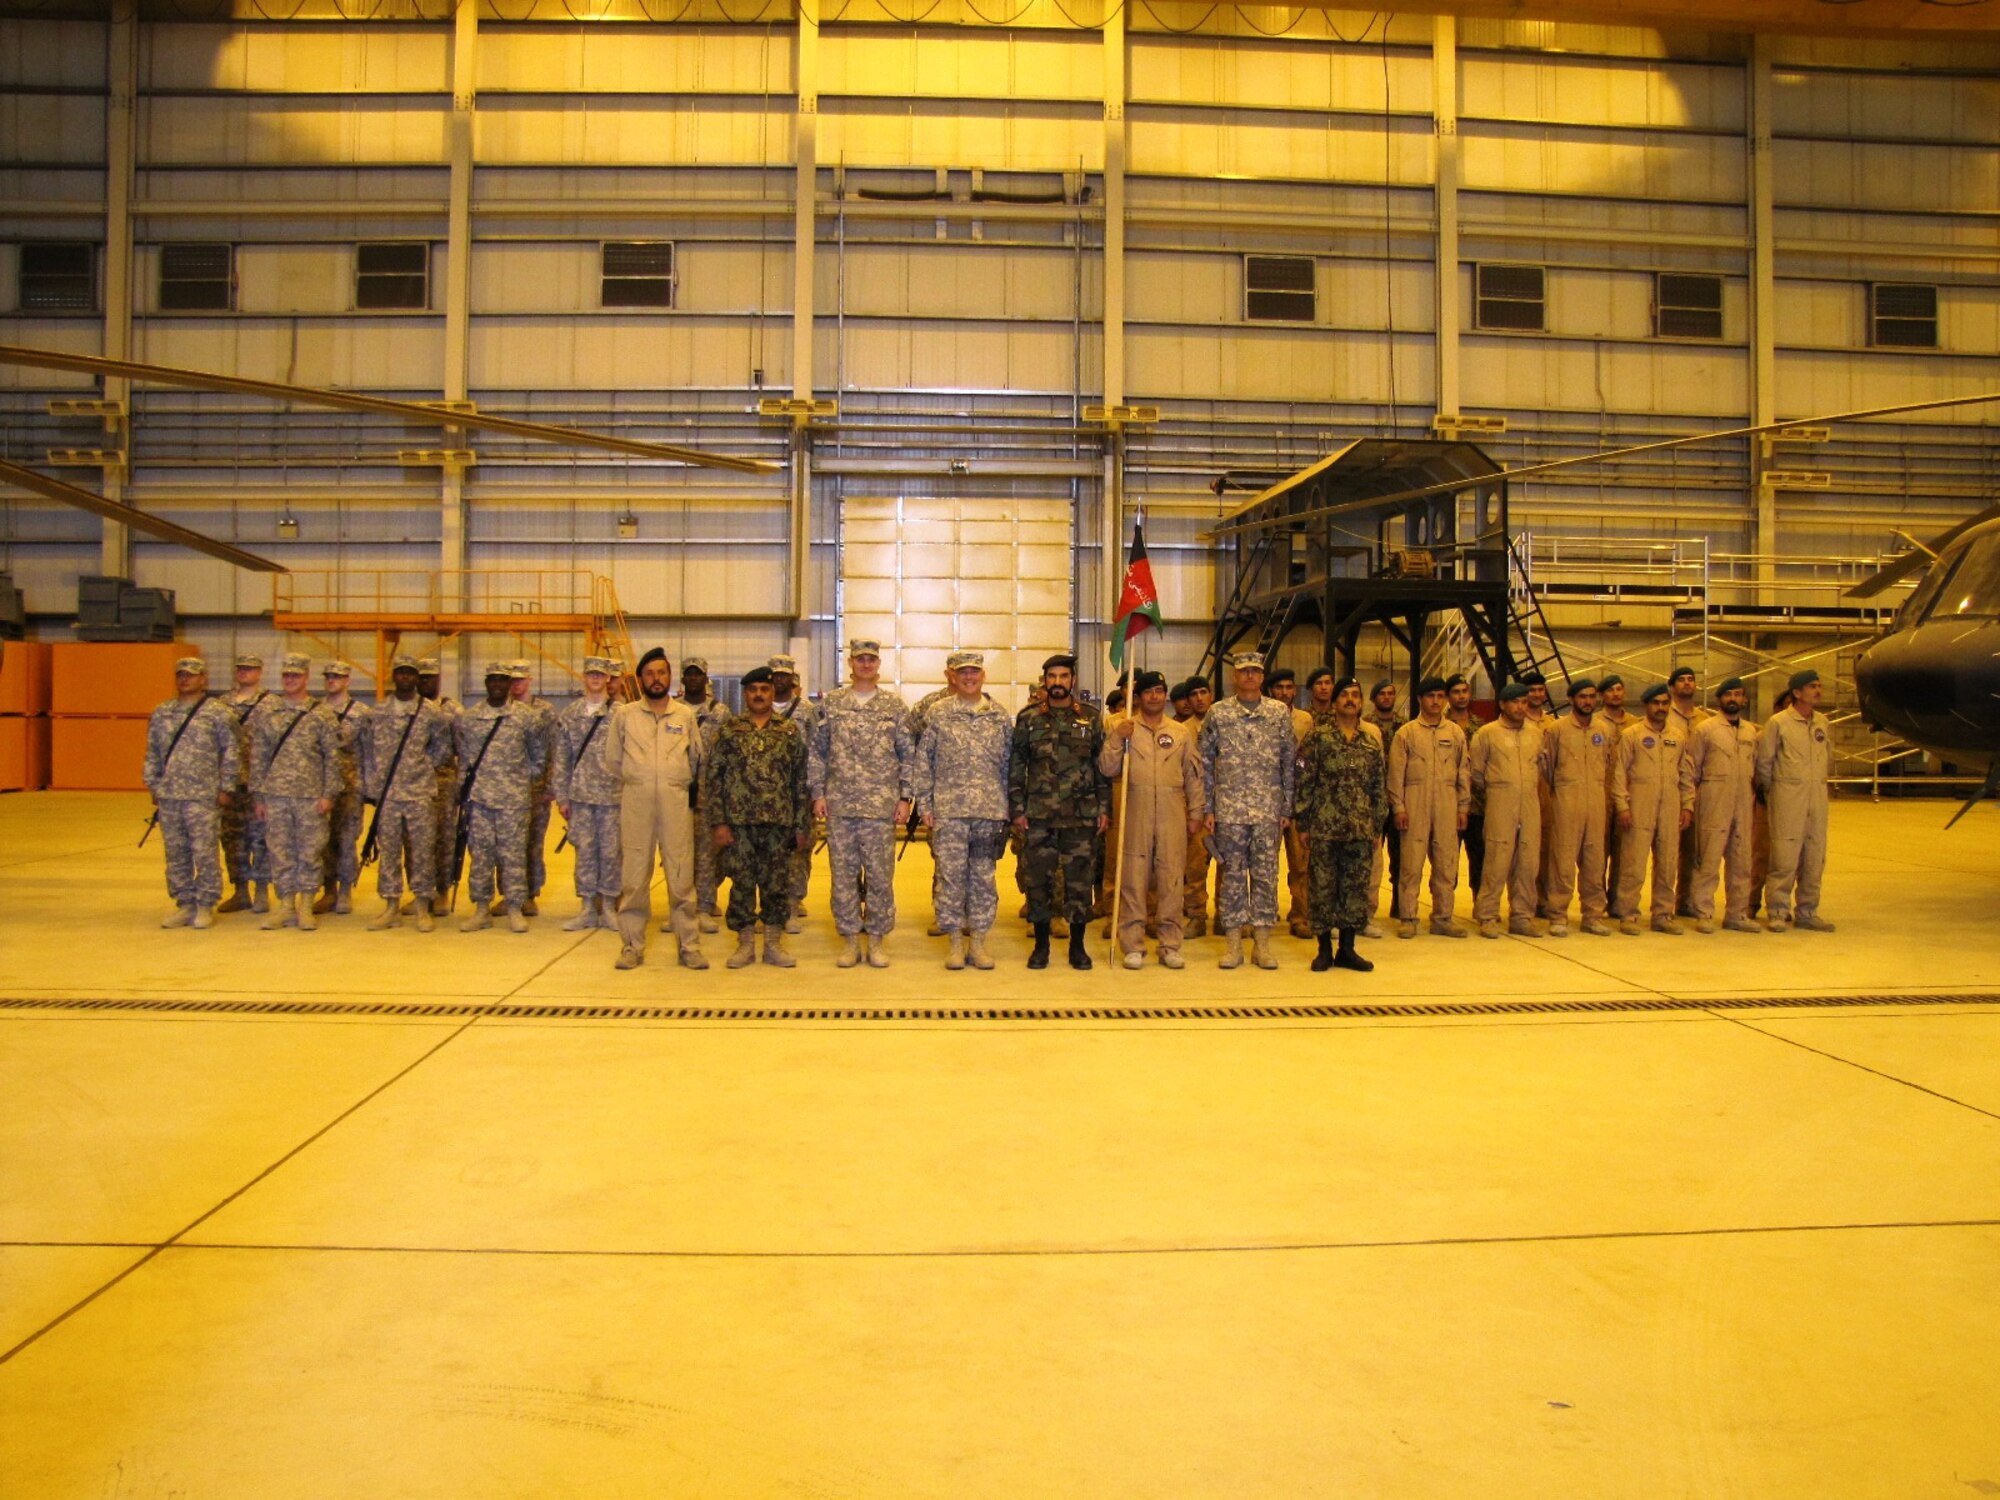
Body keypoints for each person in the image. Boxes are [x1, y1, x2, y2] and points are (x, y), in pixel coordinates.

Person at [810, 638, 915, 968]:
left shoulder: (894, 707)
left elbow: (907, 755)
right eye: (860, 659)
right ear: (850, 664)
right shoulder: (832, 705)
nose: (866, 664)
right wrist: (818, 794)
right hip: (841, 807)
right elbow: (817, 751)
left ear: (878, 664)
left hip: (880, 809)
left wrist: (904, 798)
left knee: (880, 877)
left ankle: (878, 940)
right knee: (843, 877)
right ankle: (851, 940)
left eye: (871, 659)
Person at [604, 648, 706, 970]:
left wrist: (672, 783)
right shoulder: (625, 716)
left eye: (661, 673)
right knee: (634, 878)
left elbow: (697, 759)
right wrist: (642, 780)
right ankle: (632, 946)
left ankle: (688, 945)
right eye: (649, 674)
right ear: (640, 679)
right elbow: (613, 760)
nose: (656, 679)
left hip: (676, 804)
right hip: (637, 804)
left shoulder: (685, 716)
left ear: (670, 675)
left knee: (680, 876)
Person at [1098, 668, 1205, 969]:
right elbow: (1106, 768)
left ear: (1166, 694)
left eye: (1159, 691)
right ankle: (1132, 945)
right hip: (1136, 807)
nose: (1154, 696)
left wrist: (1196, 812)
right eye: (1148, 692)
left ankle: (1170, 945)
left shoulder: (1180, 732)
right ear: (1139, 697)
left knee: (1172, 879)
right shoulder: (1123, 728)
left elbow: (1194, 776)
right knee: (1133, 878)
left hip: (1173, 809)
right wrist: (1119, 739)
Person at [1197, 651, 1296, 970]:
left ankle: (1263, 945)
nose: (1250, 676)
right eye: (1244, 672)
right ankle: (1233, 945)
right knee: (1233, 878)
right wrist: (1207, 807)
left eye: (1255, 671)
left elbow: (1288, 761)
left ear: (1262, 676)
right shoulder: (1218, 713)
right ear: (1235, 677)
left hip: (1267, 811)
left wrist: (1287, 806)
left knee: (1267, 876)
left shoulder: (1279, 712)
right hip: (1230, 811)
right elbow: (1205, 763)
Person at [1010, 654, 1109, 970]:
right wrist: (1017, 809)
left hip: (1080, 817)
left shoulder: (1091, 719)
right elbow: (1017, 766)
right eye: (1051, 677)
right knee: (1039, 882)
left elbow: (1100, 768)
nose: (1057, 682)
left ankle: (1078, 948)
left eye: (1063, 676)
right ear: (1045, 682)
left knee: (1079, 883)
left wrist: (1103, 808)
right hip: (1038, 816)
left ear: (1072, 680)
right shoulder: (1029, 719)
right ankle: (1041, 947)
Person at [709, 666, 812, 967]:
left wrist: (801, 825)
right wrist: (719, 822)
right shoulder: (729, 730)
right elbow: (714, 777)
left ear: (772, 693)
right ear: (745, 693)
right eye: (752, 690)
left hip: (778, 824)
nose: (758, 695)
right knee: (741, 883)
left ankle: (772, 944)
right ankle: (744, 945)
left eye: (764, 690)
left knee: (776, 885)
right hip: (739, 824)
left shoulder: (788, 731)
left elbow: (799, 780)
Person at [916, 651, 1012, 970]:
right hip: (949, 812)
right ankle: (956, 943)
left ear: (983, 675)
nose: (969, 677)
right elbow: (924, 762)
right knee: (950, 878)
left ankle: (979, 943)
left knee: (984, 878)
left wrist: (1008, 807)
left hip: (988, 812)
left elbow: (1010, 765)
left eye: (975, 671)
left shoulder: (998, 715)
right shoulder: (938, 713)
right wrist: (926, 806)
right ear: (952, 677)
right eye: (963, 672)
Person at [1294, 677, 1386, 972]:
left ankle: (1347, 949)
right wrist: (1304, 822)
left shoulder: (1370, 744)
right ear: (1334, 703)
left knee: (1354, 889)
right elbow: (1304, 781)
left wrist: (1376, 826)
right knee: (1321, 888)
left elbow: (1377, 787)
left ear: (1361, 702)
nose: (1350, 699)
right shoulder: (1318, 738)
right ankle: (1324, 950)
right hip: (1324, 827)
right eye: (1344, 695)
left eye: (1355, 695)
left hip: (1359, 828)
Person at [143, 656, 240, 930]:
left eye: (191, 675)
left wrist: (226, 787)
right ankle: (184, 903)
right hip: (171, 795)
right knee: (176, 852)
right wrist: (153, 784)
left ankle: (206, 903)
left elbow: (231, 752)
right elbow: (153, 752)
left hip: (203, 795)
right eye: (180, 675)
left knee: (204, 851)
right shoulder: (162, 712)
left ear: (203, 679)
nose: (185, 679)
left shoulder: (218, 713)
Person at [357, 653, 450, 932]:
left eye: (411, 673)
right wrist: (374, 786)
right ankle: (391, 906)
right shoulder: (378, 713)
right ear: (393, 676)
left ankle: (423, 906)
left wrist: (420, 768)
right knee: (389, 852)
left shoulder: (431, 712)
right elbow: (369, 752)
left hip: (419, 792)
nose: (406, 678)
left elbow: (442, 748)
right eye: (401, 673)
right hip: (388, 794)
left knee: (422, 851)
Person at [247, 653, 340, 932]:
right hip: (276, 794)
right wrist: (259, 796)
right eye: (286, 675)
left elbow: (332, 757)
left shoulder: (320, 713)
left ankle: (307, 906)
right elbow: (258, 756)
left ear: (306, 678)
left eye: (295, 676)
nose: (290, 680)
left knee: (310, 851)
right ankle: (286, 906)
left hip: (310, 795)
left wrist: (328, 794)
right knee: (280, 851)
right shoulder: (268, 712)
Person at [454, 662, 547, 936]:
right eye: (492, 680)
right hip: (480, 799)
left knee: (513, 856)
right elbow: (466, 757)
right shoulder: (471, 718)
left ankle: (515, 908)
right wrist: (464, 790)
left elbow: (539, 755)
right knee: (480, 856)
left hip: (513, 801)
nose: (497, 684)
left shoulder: (526, 717)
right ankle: (481, 909)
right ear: (486, 683)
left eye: (502, 680)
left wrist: (521, 779)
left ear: (509, 684)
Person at [1388, 675, 1472, 938]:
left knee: (1447, 861)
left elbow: (1463, 772)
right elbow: (1395, 774)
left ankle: (1443, 917)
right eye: (1430, 697)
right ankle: (1409, 917)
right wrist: (1398, 807)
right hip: (1414, 801)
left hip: (1447, 803)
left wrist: (1463, 807)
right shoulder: (1407, 733)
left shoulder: (1455, 733)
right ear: (1420, 700)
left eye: (1439, 696)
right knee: (1411, 863)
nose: (1436, 702)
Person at [1756, 668, 1836, 932]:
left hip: (1816, 800)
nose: (1817, 691)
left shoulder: (1822, 723)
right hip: (1788, 798)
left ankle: (1808, 911)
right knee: (1784, 857)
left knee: (1814, 857)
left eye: (1819, 686)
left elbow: (1828, 758)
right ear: (1797, 692)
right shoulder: (1779, 723)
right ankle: (1778, 910)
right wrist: (1774, 793)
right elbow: (1765, 763)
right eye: (1812, 686)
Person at [1683, 676, 1762, 934]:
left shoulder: (1750, 731)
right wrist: (1690, 802)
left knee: (1741, 858)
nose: (1733, 699)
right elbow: (1690, 767)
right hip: (1713, 797)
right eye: (1729, 695)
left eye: (1738, 694)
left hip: (1743, 799)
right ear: (1720, 699)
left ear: (1744, 699)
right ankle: (1704, 912)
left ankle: (1737, 913)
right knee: (1708, 857)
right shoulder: (1706, 730)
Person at [1610, 682, 1691, 935]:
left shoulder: (1677, 736)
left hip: (1670, 806)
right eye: (1656, 703)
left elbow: (1685, 773)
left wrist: (1687, 805)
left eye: (1665, 703)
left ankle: (1663, 914)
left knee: (1668, 862)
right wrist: (1622, 805)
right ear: (1646, 705)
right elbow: (1619, 773)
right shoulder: (1632, 735)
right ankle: (1629, 914)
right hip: (1639, 804)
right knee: (1633, 862)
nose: (1661, 708)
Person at [1469, 682, 1546, 939]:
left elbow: (1541, 767)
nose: (1521, 707)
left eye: (1524, 702)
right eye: (1515, 702)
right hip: (1500, 802)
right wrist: (1500, 787)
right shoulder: (1487, 734)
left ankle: (1522, 916)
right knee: (1497, 859)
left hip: (1530, 804)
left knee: (1527, 862)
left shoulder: (1536, 734)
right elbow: (1476, 773)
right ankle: (1488, 916)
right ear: (1502, 704)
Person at [1539, 677, 1614, 937]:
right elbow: (1547, 768)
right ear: (1571, 700)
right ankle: (1558, 914)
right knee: (1562, 859)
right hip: (1566, 802)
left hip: (1595, 801)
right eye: (1582, 697)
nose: (1588, 702)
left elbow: (1608, 765)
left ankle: (1593, 914)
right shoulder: (1558, 730)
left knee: (1594, 860)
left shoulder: (1602, 730)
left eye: (1592, 697)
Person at [553, 655, 622, 932]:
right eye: (590, 674)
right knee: (585, 852)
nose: (595, 678)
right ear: (584, 677)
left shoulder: (621, 714)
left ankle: (608, 907)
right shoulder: (570, 714)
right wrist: (562, 797)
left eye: (600, 674)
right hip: (580, 797)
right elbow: (562, 757)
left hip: (612, 797)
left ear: (608, 678)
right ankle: (586, 908)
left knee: (611, 853)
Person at [677, 654, 731, 933]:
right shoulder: (672, 711)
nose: (694, 678)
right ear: (683, 679)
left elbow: (729, 754)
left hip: (710, 794)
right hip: (678, 793)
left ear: (706, 678)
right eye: (689, 674)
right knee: (679, 854)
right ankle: (681, 908)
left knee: (709, 854)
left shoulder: (720, 713)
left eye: (699, 674)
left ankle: (705, 905)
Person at [1264, 666, 1319, 939]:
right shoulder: (1262, 716)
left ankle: (1301, 915)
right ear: (1270, 691)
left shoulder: (1305, 720)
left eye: (1288, 688)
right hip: (1269, 799)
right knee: (1266, 861)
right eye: (1279, 688)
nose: (1284, 693)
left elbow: (1308, 758)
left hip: (1298, 799)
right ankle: (1267, 911)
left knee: (1301, 863)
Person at [216, 653, 272, 915]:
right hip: (230, 783)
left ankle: (261, 891)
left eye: (250, 669)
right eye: (240, 669)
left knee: (260, 838)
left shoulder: (271, 704)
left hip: (259, 783)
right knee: (232, 838)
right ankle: (240, 891)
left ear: (259, 672)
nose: (244, 673)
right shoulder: (220, 704)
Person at [502, 661, 558, 918]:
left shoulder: (545, 712)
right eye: (512, 680)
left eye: (520, 680)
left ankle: (530, 895)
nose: (516, 685)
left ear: (529, 680)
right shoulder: (501, 709)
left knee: (532, 844)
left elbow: (554, 752)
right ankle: (509, 894)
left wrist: (550, 787)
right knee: (506, 844)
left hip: (535, 790)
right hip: (506, 789)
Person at [314, 660, 368, 916]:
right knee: (323, 840)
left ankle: (345, 890)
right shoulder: (314, 711)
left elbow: (370, 751)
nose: (331, 680)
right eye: (328, 676)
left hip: (349, 785)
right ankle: (328, 890)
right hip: (321, 785)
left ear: (347, 680)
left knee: (346, 840)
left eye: (337, 676)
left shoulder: (361, 713)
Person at [768, 652, 817, 931]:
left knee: (800, 847)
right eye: (775, 675)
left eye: (784, 675)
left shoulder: (807, 711)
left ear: (792, 678)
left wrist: (815, 791)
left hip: (799, 791)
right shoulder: (758, 707)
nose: (779, 679)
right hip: (766, 795)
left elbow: (818, 751)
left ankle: (793, 900)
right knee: (771, 849)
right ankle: (774, 902)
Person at [1664, 664, 1712, 916]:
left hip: (1699, 789)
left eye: (1691, 679)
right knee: (1668, 850)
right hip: (1669, 788)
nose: (1687, 683)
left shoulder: (1704, 720)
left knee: (1696, 849)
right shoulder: (1664, 716)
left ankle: (1687, 901)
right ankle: (1665, 904)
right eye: (1681, 680)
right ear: (1672, 687)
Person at [414, 657, 460, 920]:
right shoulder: (410, 709)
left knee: (444, 839)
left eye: (430, 677)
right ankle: (421, 892)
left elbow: (463, 747)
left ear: (439, 680)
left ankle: (442, 891)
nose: (425, 682)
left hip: (443, 782)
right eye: (422, 678)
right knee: (416, 842)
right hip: (414, 784)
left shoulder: (451, 710)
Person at [1362, 678, 1404, 936]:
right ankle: (1362, 913)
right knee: (1369, 858)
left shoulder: (1405, 726)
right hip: (1369, 800)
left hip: (1396, 798)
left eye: (1391, 693)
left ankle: (1401, 907)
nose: (1387, 698)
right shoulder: (1366, 726)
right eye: (1382, 694)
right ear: (1374, 698)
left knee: (1400, 859)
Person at [1180, 675, 1216, 935]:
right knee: (1194, 865)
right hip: (1197, 806)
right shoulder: (1181, 731)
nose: (1199, 698)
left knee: (1231, 865)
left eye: (1203, 692)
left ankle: (1227, 915)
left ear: (1211, 695)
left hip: (1228, 806)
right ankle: (1196, 915)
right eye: (1194, 694)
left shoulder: (1226, 722)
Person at [1444, 674, 1485, 895]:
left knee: (1479, 856)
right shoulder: (1441, 726)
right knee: (1448, 859)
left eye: (1464, 691)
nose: (1461, 696)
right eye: (1456, 692)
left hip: (1478, 804)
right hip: (1449, 803)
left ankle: (1481, 903)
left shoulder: (1482, 726)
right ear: (1448, 697)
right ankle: (1445, 907)